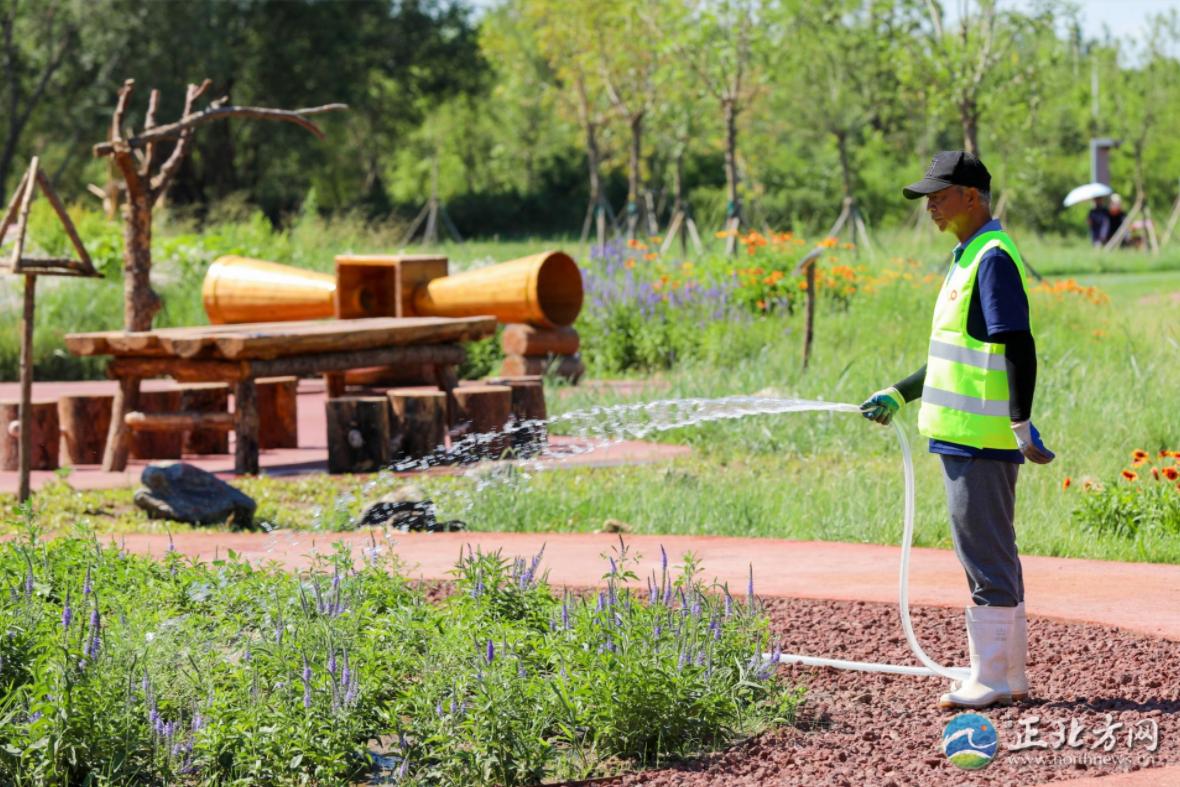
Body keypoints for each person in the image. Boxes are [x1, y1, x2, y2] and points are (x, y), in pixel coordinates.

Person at [860, 150, 1055, 710]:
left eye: (939, 197)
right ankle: (1007, 676)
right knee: (990, 552)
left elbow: (1018, 341)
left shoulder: (991, 257)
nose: (931, 208)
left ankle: (991, 678)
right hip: (963, 435)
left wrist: (1020, 422)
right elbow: (955, 354)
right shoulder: (967, 256)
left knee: (984, 557)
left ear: (972, 196)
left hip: (980, 437)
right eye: (927, 199)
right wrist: (899, 391)